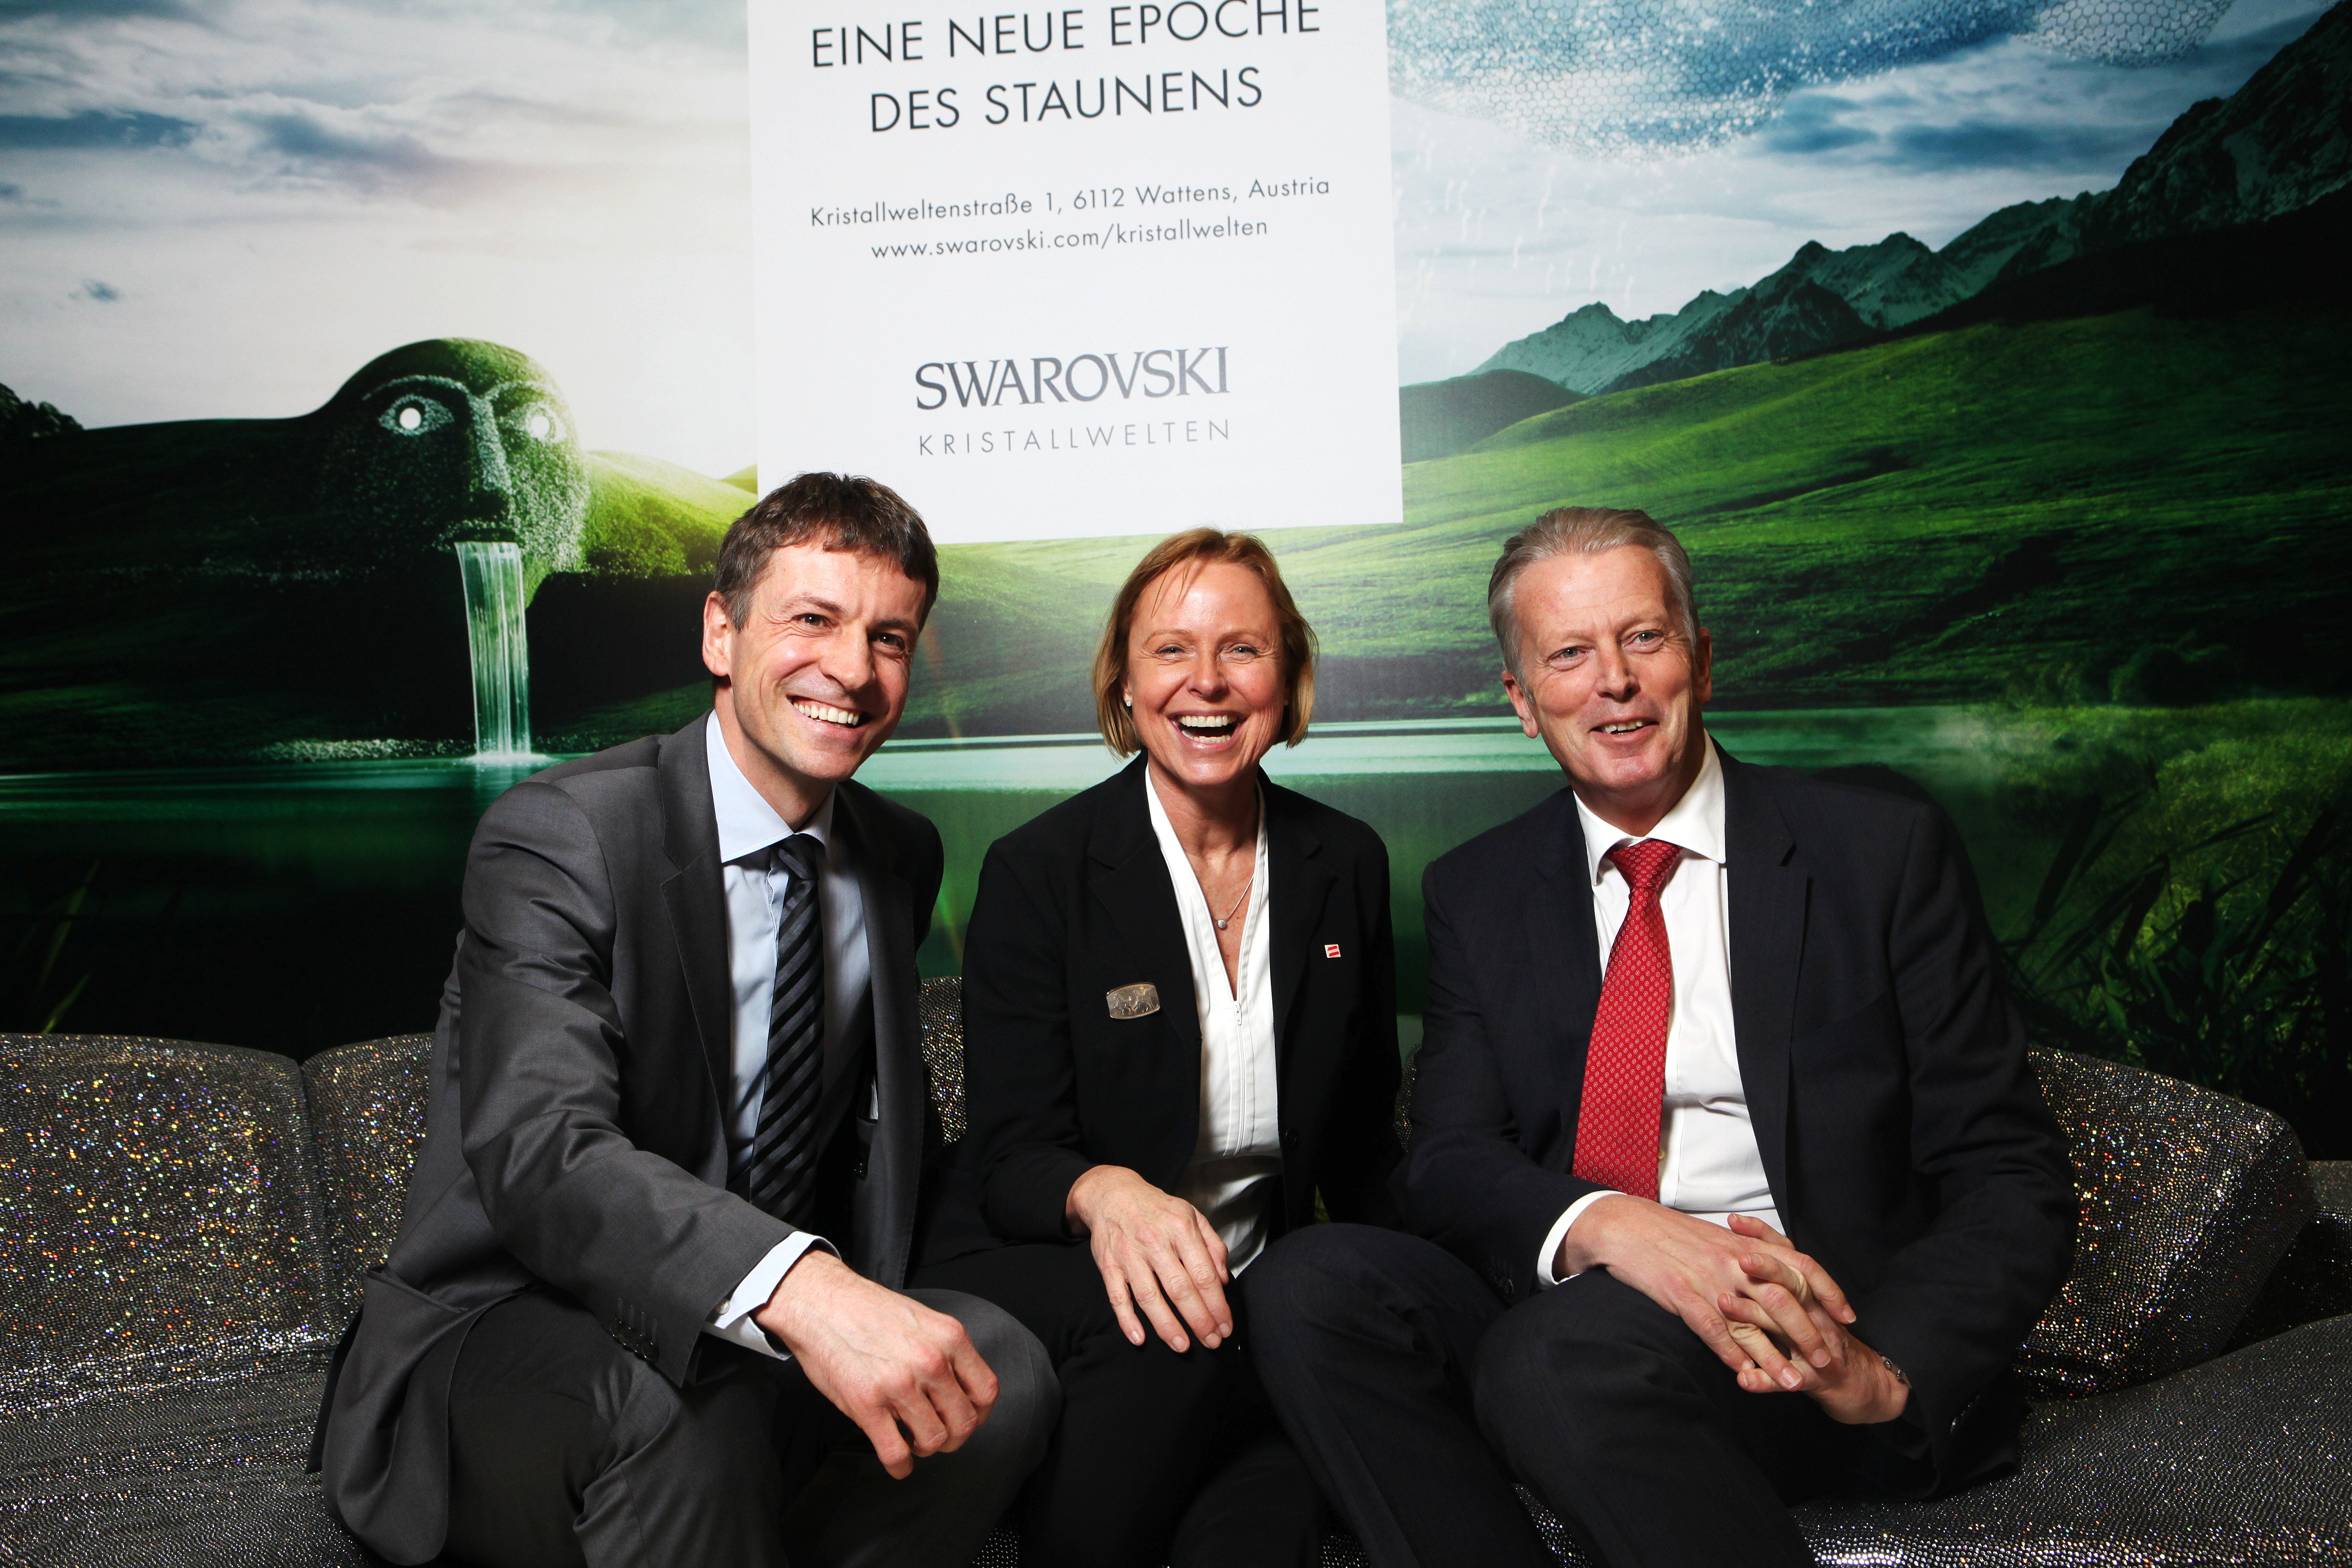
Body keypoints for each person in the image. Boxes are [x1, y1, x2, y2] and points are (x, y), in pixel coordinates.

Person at [1249, 507, 2076, 1568]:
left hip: (1802, 1331)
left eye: (1644, 638)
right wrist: (1612, 1227)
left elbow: (2009, 1170)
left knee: (1553, 1355)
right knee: (1307, 1285)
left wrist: (1884, 1372)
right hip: (1576, 1311)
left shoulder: (1878, 852)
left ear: (1702, 661)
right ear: (1521, 702)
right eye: (1569, 655)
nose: (1615, 682)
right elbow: (1450, 1161)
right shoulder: (1478, 888)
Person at [316, 472, 1056, 1568]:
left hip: (748, 1335)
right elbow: (543, 1150)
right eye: (812, 620)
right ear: (722, 632)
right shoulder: (561, 833)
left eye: (889, 639)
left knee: (1002, 1373)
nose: (853, 671)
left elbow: (876, 1145)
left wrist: (1087, 1210)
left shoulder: (898, 854)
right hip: (519, 1326)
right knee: (680, 1409)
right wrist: (803, 1287)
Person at [915, 529, 1404, 1568]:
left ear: (1288, 674)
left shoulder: (1347, 862)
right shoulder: (1040, 870)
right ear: (1125, 683)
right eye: (1171, 650)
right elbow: (1010, 1162)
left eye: (1243, 649)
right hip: (1056, 1267)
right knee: (1171, 1342)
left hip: (1249, 1291)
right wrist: (1109, 1195)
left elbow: (1368, 1153)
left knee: (1269, 1496)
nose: (1207, 682)